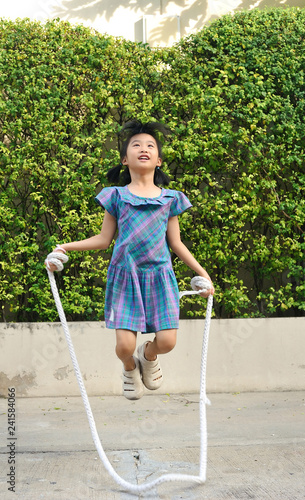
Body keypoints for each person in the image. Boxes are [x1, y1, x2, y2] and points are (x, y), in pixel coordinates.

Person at [46, 120, 214, 400]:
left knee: (167, 342)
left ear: (159, 160)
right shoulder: (116, 196)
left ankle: (147, 356)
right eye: (136, 145)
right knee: (124, 347)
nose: (143, 149)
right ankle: (129, 365)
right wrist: (64, 247)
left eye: (150, 146)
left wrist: (203, 273)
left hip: (160, 278)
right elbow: (102, 239)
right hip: (125, 277)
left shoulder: (170, 199)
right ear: (125, 160)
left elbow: (176, 243)